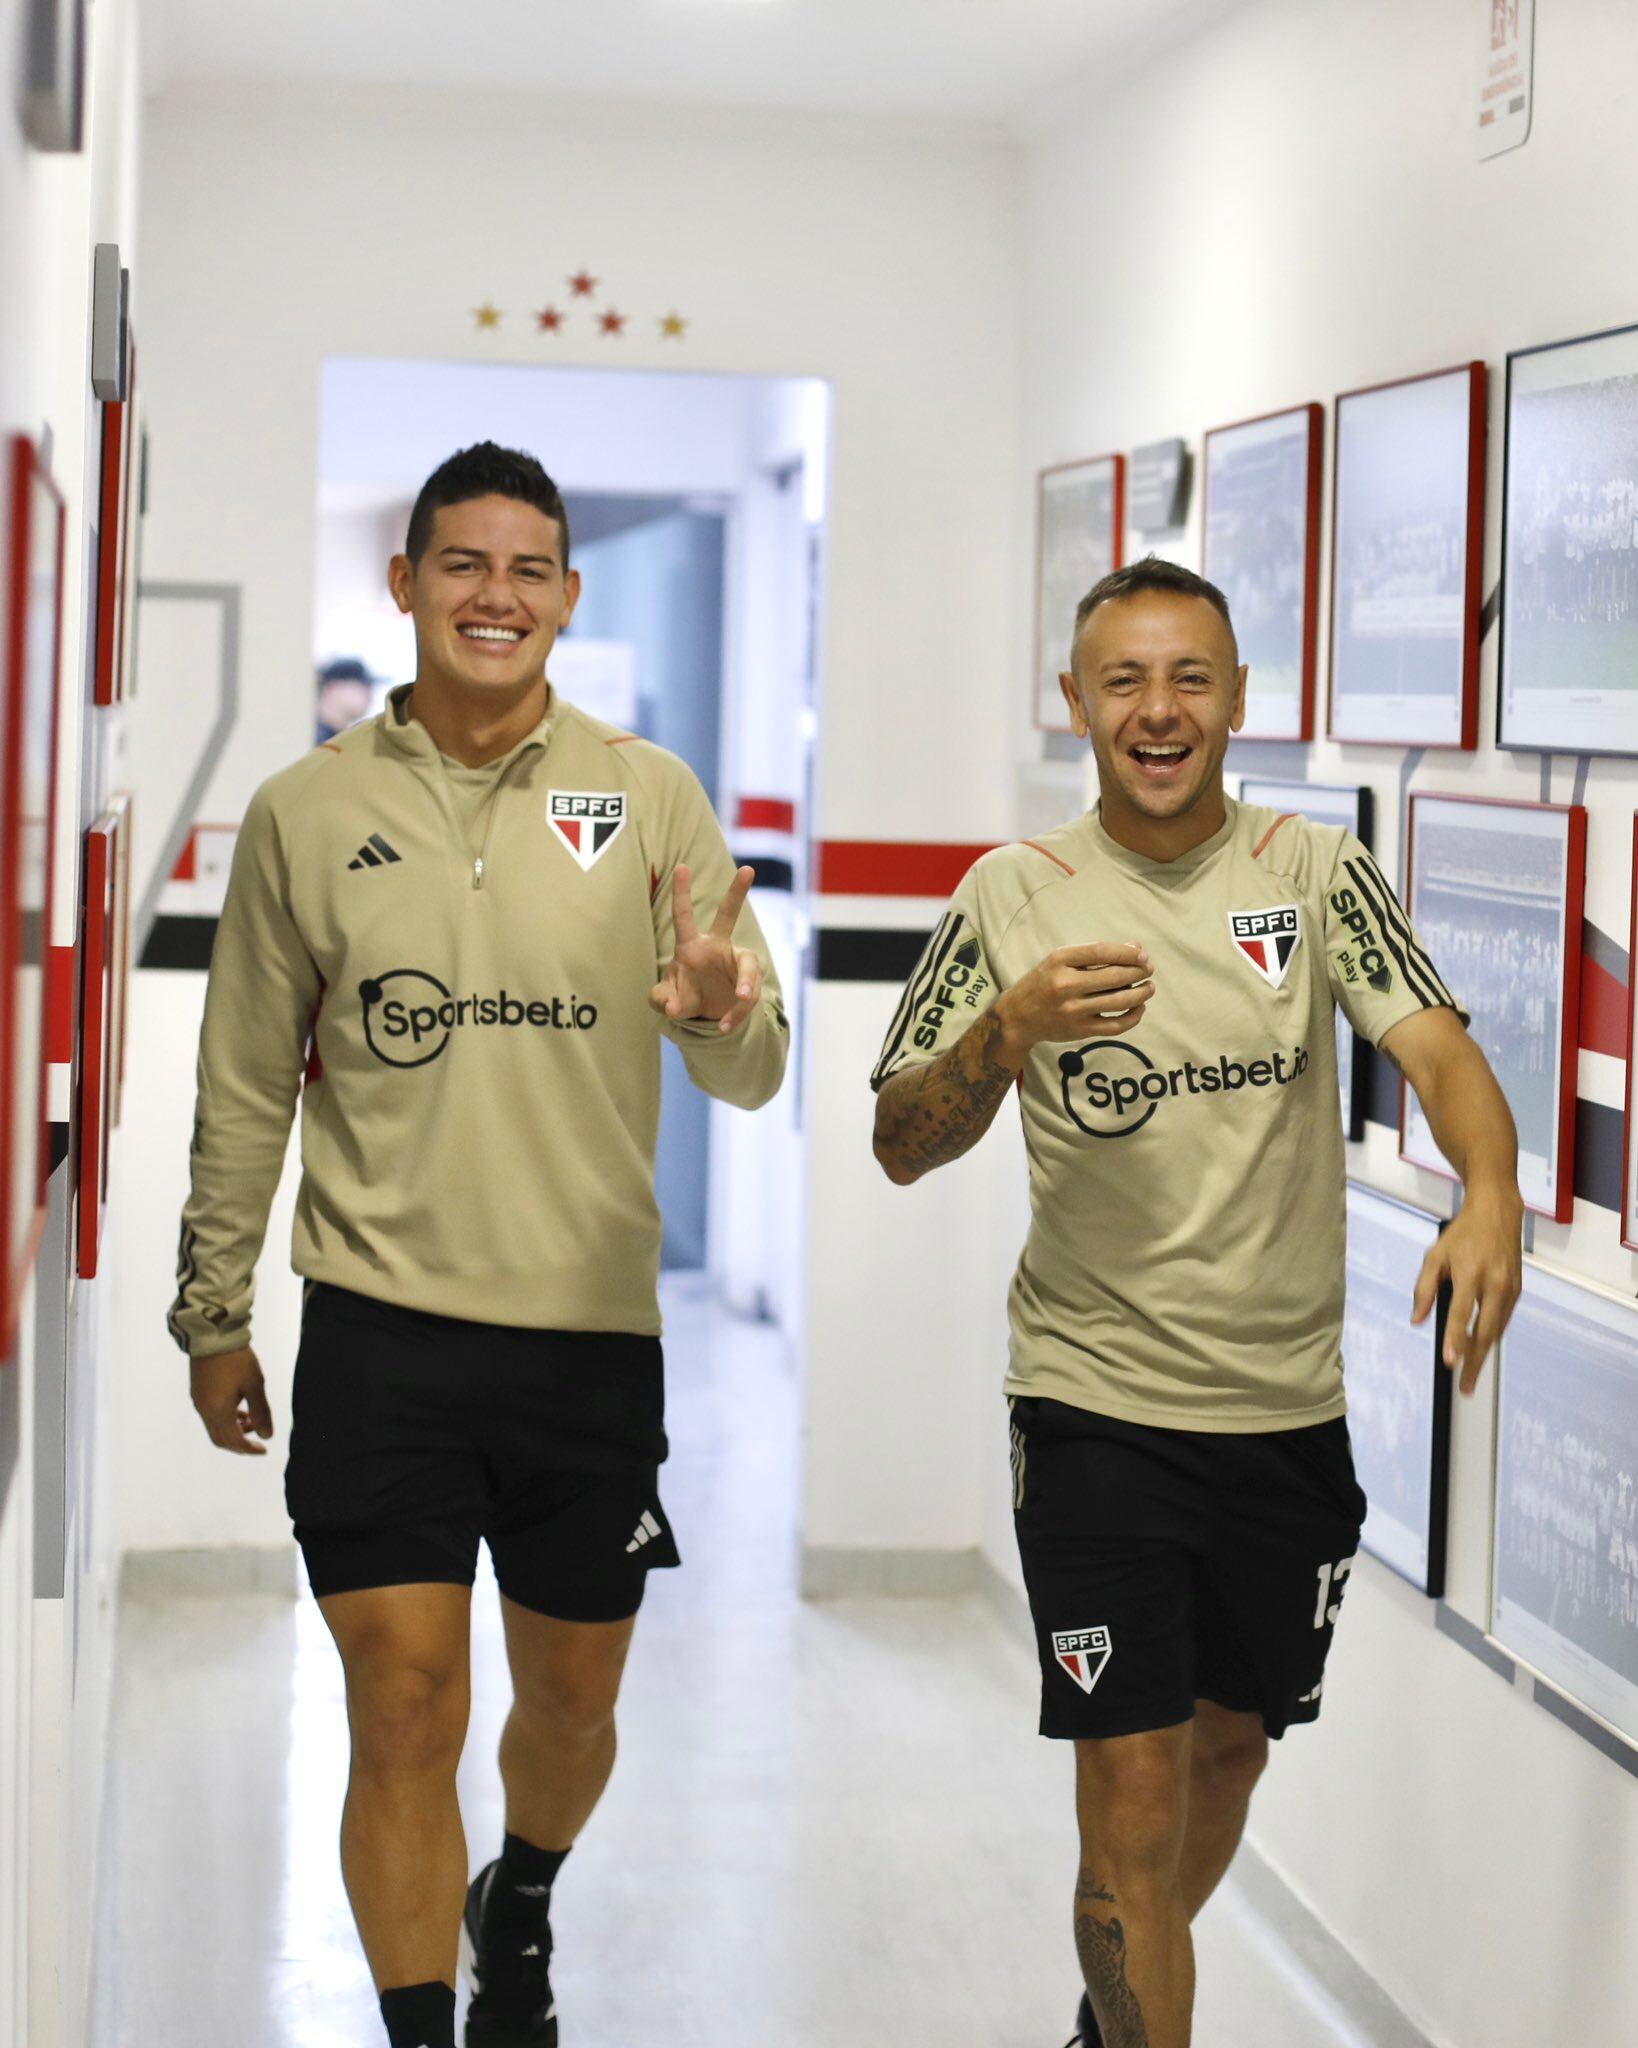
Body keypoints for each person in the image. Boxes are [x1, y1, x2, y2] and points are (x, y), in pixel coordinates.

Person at [170, 441, 789, 2048]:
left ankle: (518, 1892)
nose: (494, 596)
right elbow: (244, 1082)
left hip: (589, 1335)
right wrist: (213, 1308)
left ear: (567, 597)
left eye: (527, 570)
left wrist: (724, 1013)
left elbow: (752, 1057)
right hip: (384, 1331)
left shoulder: (649, 797)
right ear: (406, 585)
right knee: (402, 1702)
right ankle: (421, 2030)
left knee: (570, 1710)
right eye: (462, 564)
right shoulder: (306, 814)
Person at [869, 557, 1522, 2048]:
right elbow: (900, 1142)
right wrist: (1004, 1029)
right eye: (1123, 680)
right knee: (1132, 1786)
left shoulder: (1307, 874)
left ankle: (1106, 2029)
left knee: (1224, 1755)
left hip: (1283, 1417)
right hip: (1093, 1408)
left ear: (1233, 699)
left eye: (1187, 679)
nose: (1155, 711)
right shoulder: (1007, 898)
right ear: (1076, 704)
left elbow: (1439, 1058)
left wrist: (1487, 1191)